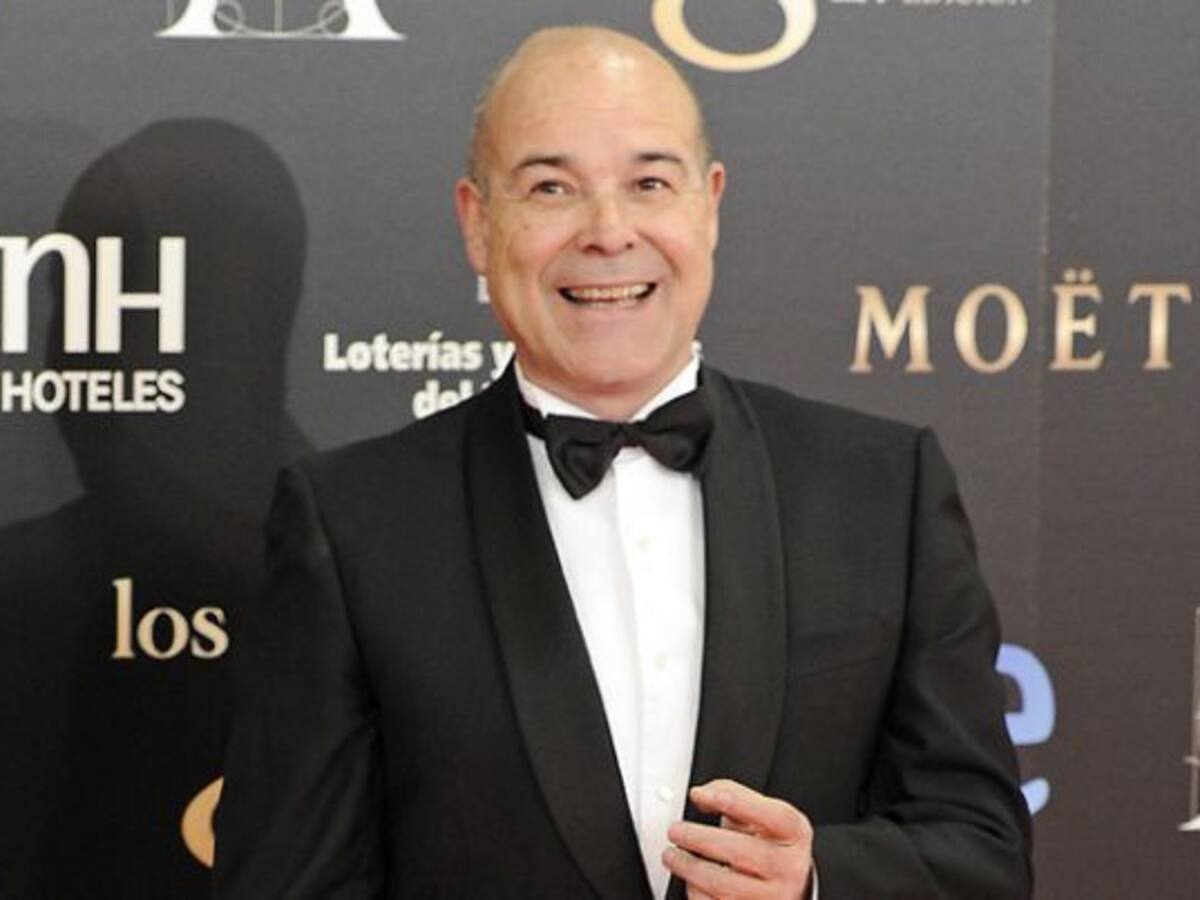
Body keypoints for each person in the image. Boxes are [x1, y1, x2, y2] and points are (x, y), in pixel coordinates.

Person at [213, 25, 1032, 900]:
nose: (608, 233)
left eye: (648, 183)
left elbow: (982, 855)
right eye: (551, 188)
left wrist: (819, 881)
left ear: (708, 206)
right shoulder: (351, 525)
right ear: (478, 224)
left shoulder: (884, 489)